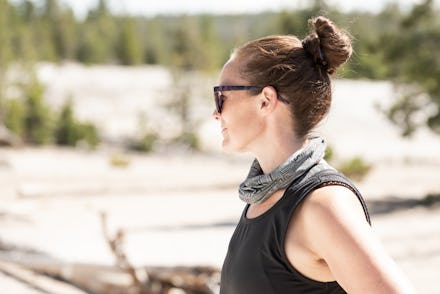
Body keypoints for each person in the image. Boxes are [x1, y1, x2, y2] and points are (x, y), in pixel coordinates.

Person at [212, 16, 416, 294]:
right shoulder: (263, 197)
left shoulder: (322, 204)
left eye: (221, 95)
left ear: (265, 100)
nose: (216, 112)